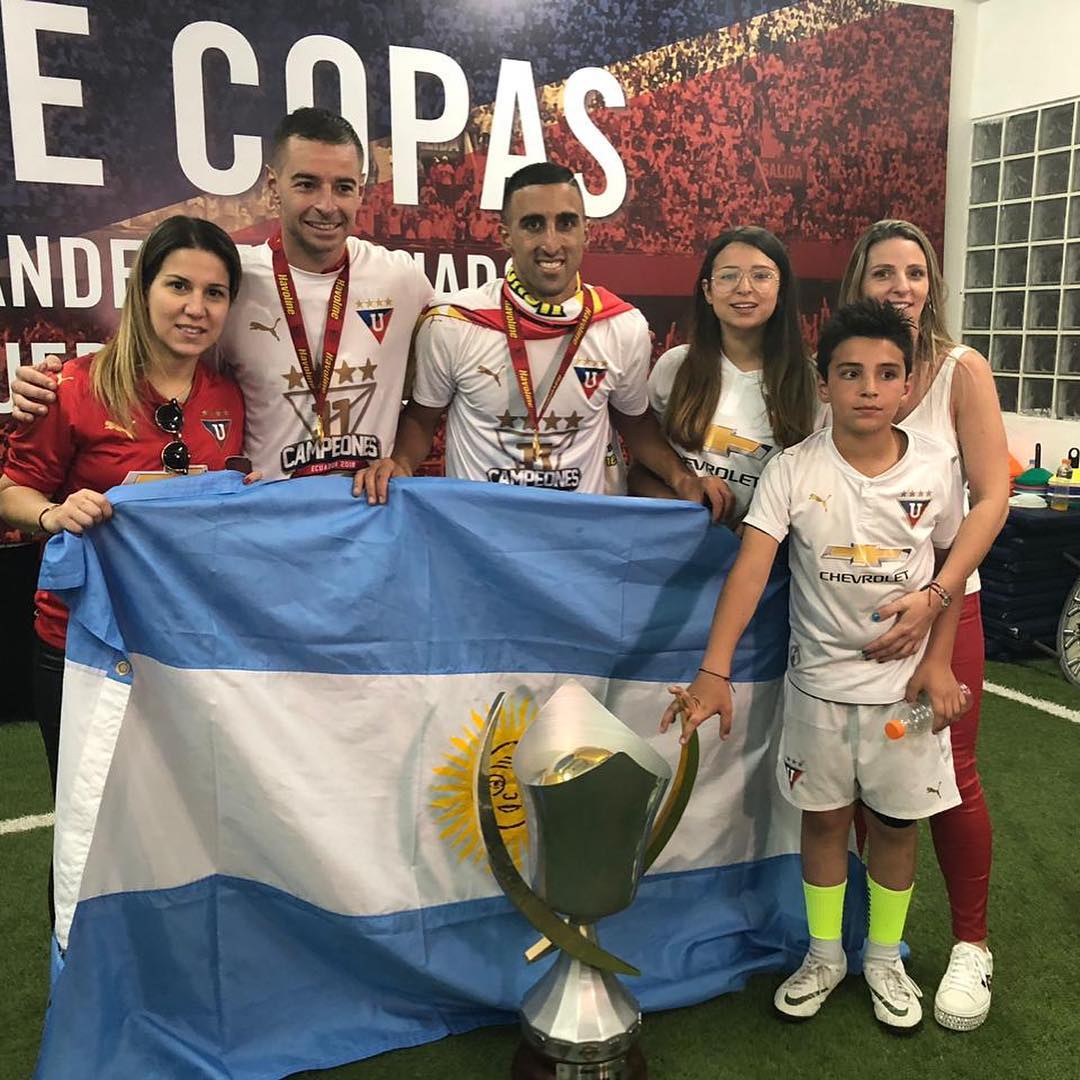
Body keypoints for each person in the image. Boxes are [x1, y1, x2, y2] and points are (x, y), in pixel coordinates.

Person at [662, 300, 969, 1030]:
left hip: (902, 694)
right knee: (825, 822)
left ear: (908, 386)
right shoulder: (793, 470)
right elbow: (749, 570)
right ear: (823, 384)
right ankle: (825, 954)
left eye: (886, 374)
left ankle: (885, 957)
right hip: (818, 692)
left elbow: (957, 567)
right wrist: (714, 670)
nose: (869, 388)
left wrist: (940, 660)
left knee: (895, 828)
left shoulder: (936, 465)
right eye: (850, 373)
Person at [0, 215, 245, 919]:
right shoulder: (72, 387)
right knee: (88, 831)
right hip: (83, 645)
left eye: (215, 293)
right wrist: (54, 513)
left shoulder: (227, 395)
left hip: (180, 646)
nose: (196, 308)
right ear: (142, 289)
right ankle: (79, 972)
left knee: (177, 824)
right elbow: (10, 489)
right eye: (178, 286)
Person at [11, 108, 435, 483]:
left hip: (366, 517)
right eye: (306, 184)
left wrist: (401, 460)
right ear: (274, 187)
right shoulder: (231, 281)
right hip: (266, 523)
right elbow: (154, 361)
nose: (326, 205)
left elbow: (443, 377)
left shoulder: (402, 279)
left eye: (343, 187)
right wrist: (54, 386)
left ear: (361, 189)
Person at [839, 220, 1009, 1031]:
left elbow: (992, 496)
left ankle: (972, 946)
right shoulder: (843, 368)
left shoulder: (960, 370)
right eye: (883, 273)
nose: (900, 286)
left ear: (931, 284)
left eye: (914, 272)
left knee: (948, 776)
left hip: (943, 615)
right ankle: (879, 944)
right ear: (858, 284)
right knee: (866, 779)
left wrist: (937, 598)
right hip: (855, 618)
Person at [354, 162, 731, 518]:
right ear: (506, 235)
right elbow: (422, 419)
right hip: (481, 533)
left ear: (586, 232)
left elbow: (635, 423)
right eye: (533, 225)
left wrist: (683, 479)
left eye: (565, 223)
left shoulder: (622, 326)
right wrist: (399, 463)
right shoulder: (455, 323)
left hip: (575, 535)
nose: (551, 243)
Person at [629, 226, 816, 521]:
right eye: (728, 276)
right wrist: (688, 505)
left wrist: (760, 529)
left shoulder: (811, 382)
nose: (744, 287)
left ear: (781, 290)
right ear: (707, 291)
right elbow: (639, 474)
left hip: (764, 548)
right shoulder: (675, 366)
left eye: (761, 275)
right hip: (677, 540)